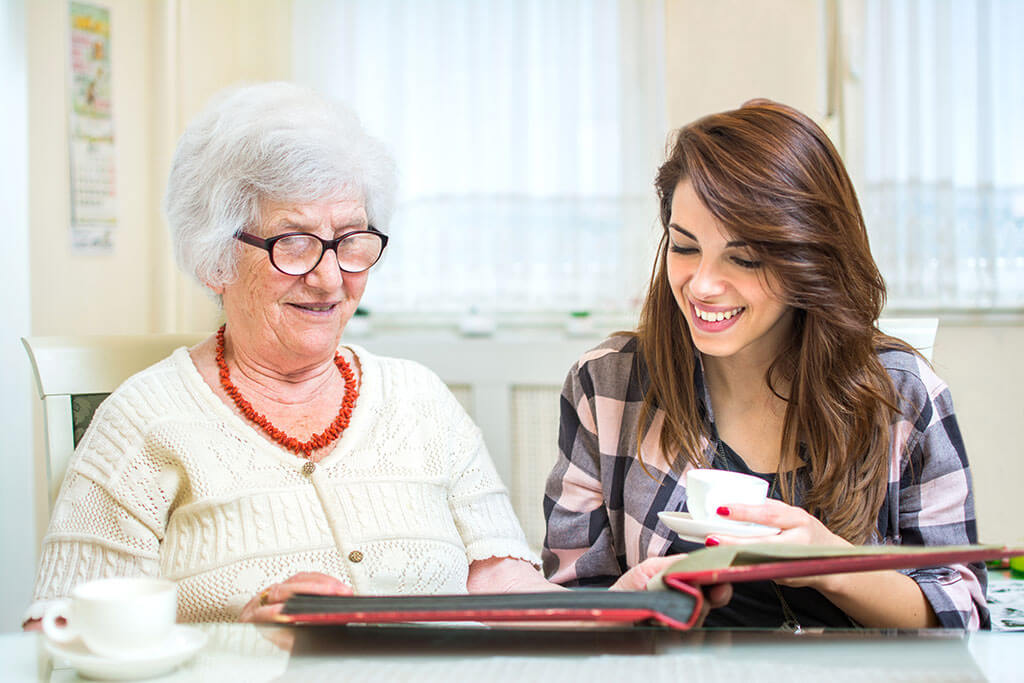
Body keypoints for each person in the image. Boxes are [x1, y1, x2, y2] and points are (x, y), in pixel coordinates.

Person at [24, 82, 665, 628]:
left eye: (351, 240)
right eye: (296, 243)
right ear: (216, 254)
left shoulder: (418, 400)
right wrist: (239, 640)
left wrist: (618, 606)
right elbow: (55, 633)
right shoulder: (141, 422)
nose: (332, 280)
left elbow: (502, 585)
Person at [543, 99, 988, 630]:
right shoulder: (608, 385)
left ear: (809, 257)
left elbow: (960, 609)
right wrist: (636, 597)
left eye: (744, 258)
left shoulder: (903, 394)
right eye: (685, 248)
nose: (702, 285)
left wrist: (832, 566)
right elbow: (568, 604)